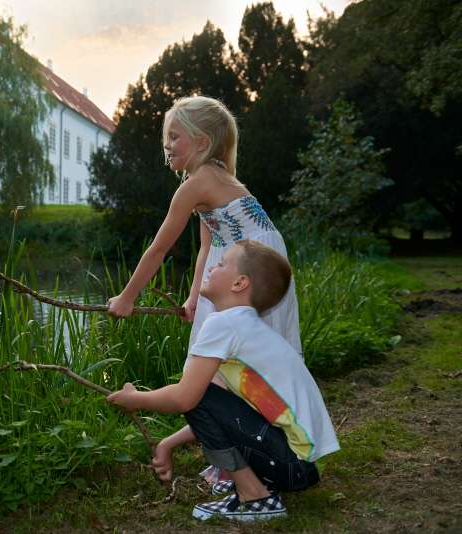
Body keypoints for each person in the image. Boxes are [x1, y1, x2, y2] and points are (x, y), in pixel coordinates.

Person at [107, 94, 303, 488]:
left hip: (248, 272)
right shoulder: (217, 180)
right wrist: (195, 296)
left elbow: (159, 248)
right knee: (236, 370)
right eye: (166, 137)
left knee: (223, 370)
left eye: (174, 136)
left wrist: (127, 298)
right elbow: (206, 246)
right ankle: (237, 454)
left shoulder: (197, 184)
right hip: (251, 266)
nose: (166, 145)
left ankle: (243, 466)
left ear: (201, 143)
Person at [107, 240, 339, 521]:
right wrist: (167, 443)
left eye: (220, 263)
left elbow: (186, 398)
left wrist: (135, 399)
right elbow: (220, 409)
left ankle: (256, 496)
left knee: (195, 392)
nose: (212, 266)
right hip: (301, 467)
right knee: (203, 391)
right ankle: (257, 485)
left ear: (239, 283)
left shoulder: (224, 324)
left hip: (290, 464)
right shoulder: (247, 330)